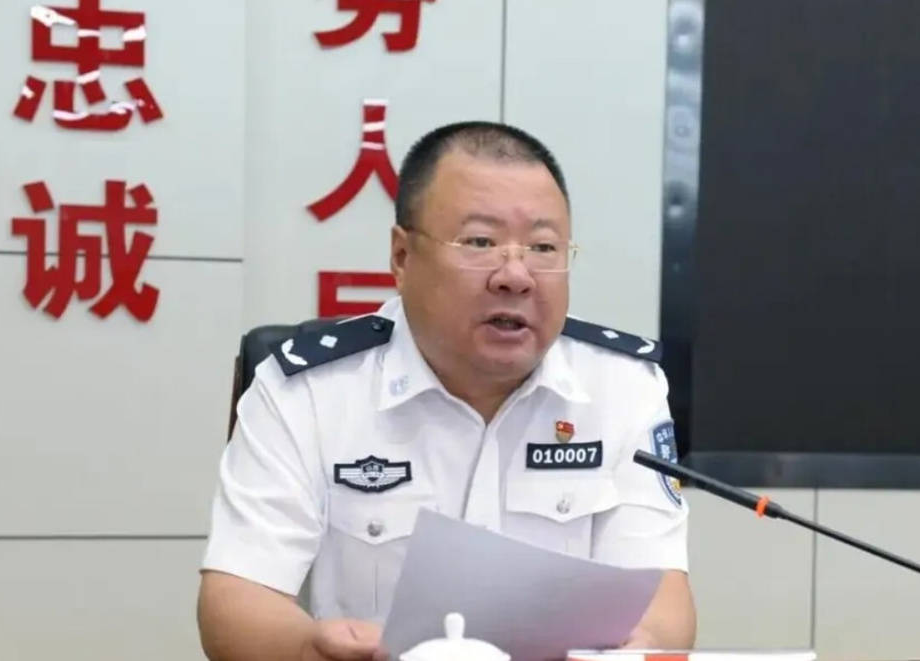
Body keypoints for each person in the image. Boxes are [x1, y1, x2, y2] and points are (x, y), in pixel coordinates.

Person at [197, 122, 696, 661]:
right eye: (480, 242)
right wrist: (307, 647)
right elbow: (238, 598)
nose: (515, 275)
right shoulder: (310, 391)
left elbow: (662, 594)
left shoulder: (622, 387)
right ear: (402, 256)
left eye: (543, 247)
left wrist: (643, 645)